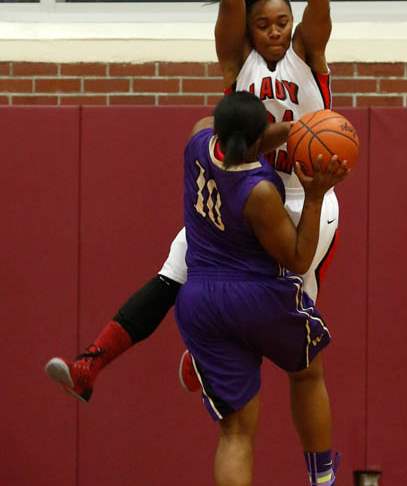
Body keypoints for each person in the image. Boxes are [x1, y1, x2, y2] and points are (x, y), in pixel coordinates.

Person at [45, 0, 337, 405]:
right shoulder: (236, 61)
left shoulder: (306, 52)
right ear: (249, 30)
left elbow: (319, 10)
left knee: (283, 310)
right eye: (263, 24)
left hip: (304, 197)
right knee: (172, 271)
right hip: (241, 189)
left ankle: (208, 358)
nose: (274, 31)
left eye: (282, 22)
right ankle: (89, 365)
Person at [176, 91, 347, 486]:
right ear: (257, 138)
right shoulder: (259, 191)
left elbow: (216, 126)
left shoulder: (197, 142)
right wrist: (317, 195)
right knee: (307, 372)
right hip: (253, 296)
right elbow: (299, 257)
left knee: (235, 432)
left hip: (200, 302)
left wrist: (291, 130)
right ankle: (322, 479)